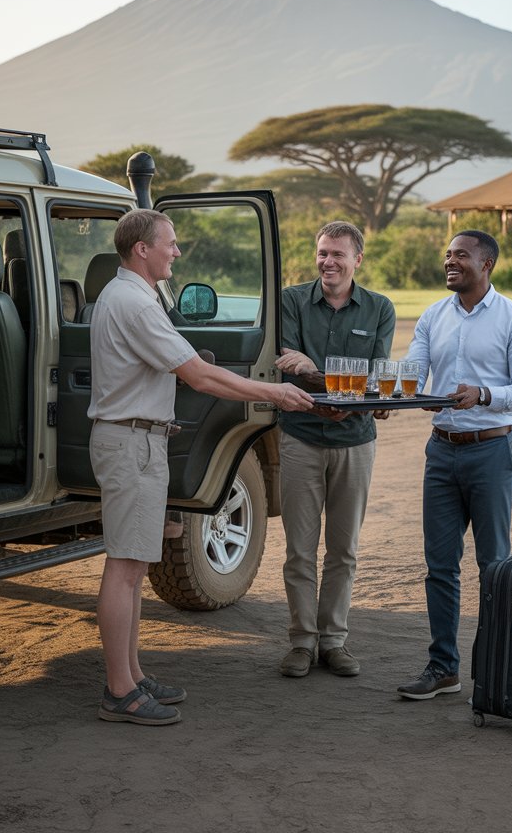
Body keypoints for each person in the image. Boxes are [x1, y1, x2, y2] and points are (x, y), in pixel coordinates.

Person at [88, 209, 314, 725]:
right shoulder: (133, 303)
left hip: (136, 440)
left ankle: (133, 676)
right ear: (141, 249)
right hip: (131, 443)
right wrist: (273, 391)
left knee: (136, 565)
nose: (177, 250)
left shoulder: (129, 296)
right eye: (170, 242)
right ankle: (119, 690)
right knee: (125, 567)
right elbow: (198, 375)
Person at [396, 230, 512, 700]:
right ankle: (444, 668)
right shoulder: (434, 315)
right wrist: (398, 391)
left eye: (461, 254)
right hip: (441, 451)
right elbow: (414, 371)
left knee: (493, 566)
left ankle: (496, 675)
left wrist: (485, 394)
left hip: (491, 452)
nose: (450, 260)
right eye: (447, 254)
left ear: (488, 263)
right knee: (440, 567)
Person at [273, 221, 396, 679]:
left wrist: (318, 376)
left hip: (355, 444)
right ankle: (302, 643)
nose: (328, 262)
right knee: (299, 551)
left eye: (338, 255)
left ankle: (335, 641)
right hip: (300, 438)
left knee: (344, 550)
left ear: (357, 259)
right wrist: (345, 389)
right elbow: (286, 366)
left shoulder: (380, 308)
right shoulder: (290, 300)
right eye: (323, 252)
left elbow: (376, 377)